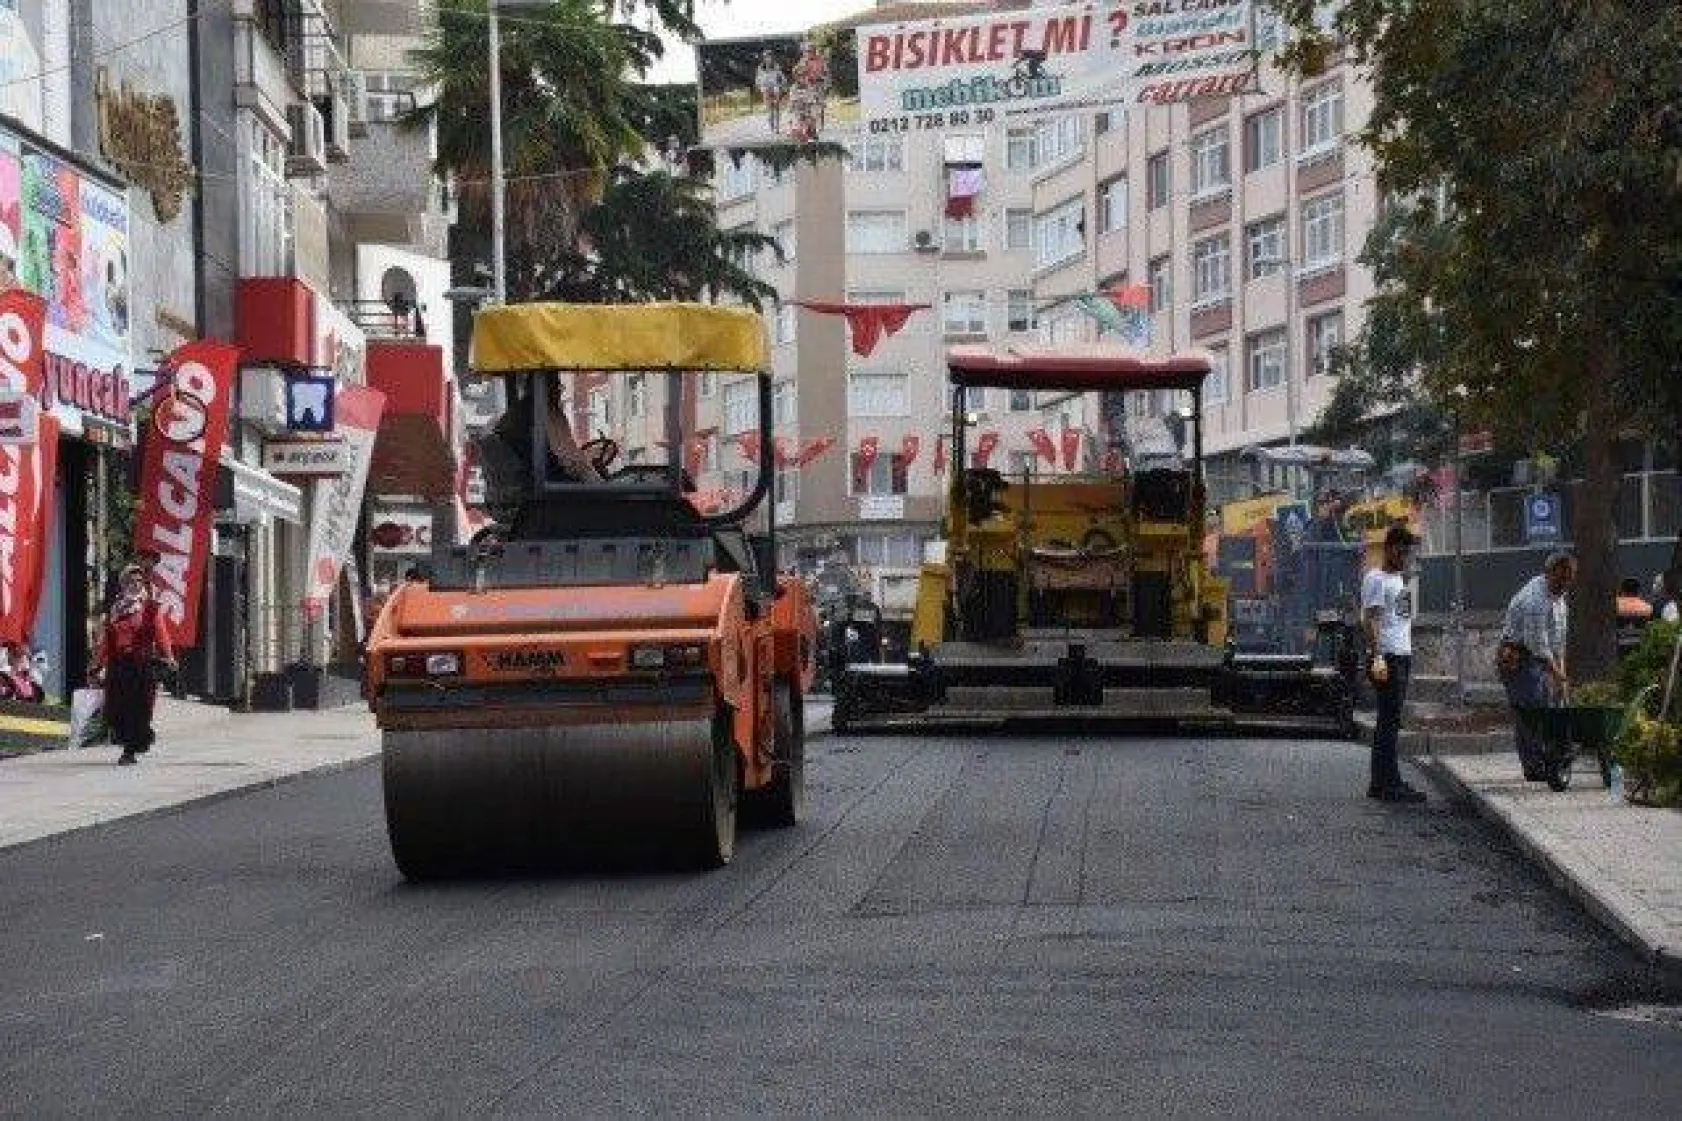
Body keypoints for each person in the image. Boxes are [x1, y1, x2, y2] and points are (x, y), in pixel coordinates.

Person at [1497, 551, 1578, 781]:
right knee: (1530, 709)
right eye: (1561, 579)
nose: (1564, 584)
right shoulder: (1534, 600)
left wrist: (1561, 675)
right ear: (1549, 573)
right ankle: (1533, 766)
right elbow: (1538, 645)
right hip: (1517, 656)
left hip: (1539, 655)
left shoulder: (1560, 599)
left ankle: (1548, 757)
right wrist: (1557, 674)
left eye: (1569, 579)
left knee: (1551, 704)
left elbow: (1557, 641)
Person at [1361, 524, 1426, 802]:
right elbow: (1370, 619)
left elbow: (1404, 617)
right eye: (1401, 552)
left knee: (1390, 721)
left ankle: (1383, 782)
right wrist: (1377, 657)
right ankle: (1389, 784)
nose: (1404, 557)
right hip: (1387, 657)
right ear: (1389, 548)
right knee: (1388, 723)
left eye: (1408, 553)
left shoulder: (1400, 579)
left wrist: (1411, 580)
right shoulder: (1375, 578)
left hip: (1401, 654)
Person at [90, 562, 176, 766]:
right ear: (123, 584)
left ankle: (130, 750)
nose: (136, 584)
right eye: (131, 581)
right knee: (119, 708)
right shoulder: (116, 609)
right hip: (119, 666)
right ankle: (134, 739)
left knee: (138, 708)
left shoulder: (149, 608)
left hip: (140, 665)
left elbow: (160, 633)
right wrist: (96, 664)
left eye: (139, 581)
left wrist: (169, 656)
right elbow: (106, 641)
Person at [1616, 576, 1654, 657]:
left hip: (1618, 645)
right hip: (1639, 645)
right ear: (1638, 591)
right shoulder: (1647, 607)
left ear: (1622, 590)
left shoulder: (1615, 605)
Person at [754, 50, 788, 134]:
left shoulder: (776, 67)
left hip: (775, 87)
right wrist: (760, 87)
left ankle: (777, 127)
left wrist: (784, 84)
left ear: (772, 58)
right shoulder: (760, 68)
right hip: (765, 88)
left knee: (776, 106)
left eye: (770, 57)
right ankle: (772, 125)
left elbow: (781, 76)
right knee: (769, 108)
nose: (768, 58)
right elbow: (757, 80)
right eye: (766, 57)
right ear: (764, 59)